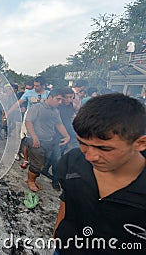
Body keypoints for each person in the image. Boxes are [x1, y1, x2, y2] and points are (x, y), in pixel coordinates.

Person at [54, 93, 146, 255]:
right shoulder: (73, 160)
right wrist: (58, 236)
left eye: (104, 148)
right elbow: (67, 198)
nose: (90, 157)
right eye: (83, 144)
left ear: (140, 143)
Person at [25, 89, 70, 192]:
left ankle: (33, 180)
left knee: (42, 164)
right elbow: (28, 122)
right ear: (50, 97)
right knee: (36, 163)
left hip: (48, 141)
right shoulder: (37, 107)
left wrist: (67, 136)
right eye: (58, 99)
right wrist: (34, 137)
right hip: (35, 140)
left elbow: (59, 124)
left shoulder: (55, 111)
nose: (59, 102)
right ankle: (30, 181)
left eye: (61, 100)